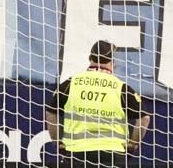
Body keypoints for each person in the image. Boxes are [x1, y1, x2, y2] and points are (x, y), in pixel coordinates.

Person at [45, 40, 150, 168]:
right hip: (112, 155)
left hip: (77, 153)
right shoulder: (120, 88)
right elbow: (144, 118)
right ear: (113, 62)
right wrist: (133, 144)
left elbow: (51, 113)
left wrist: (57, 142)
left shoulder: (71, 83)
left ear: (90, 58)